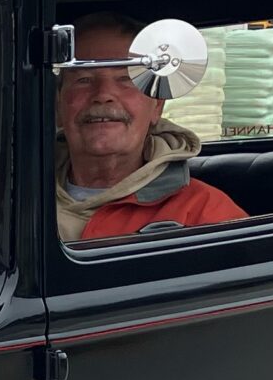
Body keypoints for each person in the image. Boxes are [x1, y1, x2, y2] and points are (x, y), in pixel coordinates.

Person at [55, 13, 245, 244]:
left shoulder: (206, 214)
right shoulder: (12, 201)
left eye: (126, 79)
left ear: (157, 105)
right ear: (58, 104)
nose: (103, 95)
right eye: (83, 79)